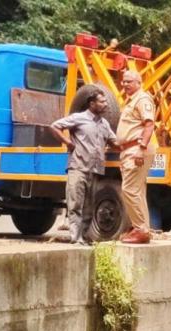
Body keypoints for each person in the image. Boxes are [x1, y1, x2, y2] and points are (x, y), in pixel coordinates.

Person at [50, 89, 120, 245]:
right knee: (75, 204)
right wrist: (67, 142)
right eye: (102, 102)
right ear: (92, 103)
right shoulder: (78, 118)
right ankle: (76, 238)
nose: (106, 104)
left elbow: (115, 143)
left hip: (95, 170)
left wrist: (134, 143)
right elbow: (54, 126)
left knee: (89, 206)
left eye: (106, 102)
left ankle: (85, 237)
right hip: (78, 167)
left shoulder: (105, 124)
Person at [116, 70, 156, 244]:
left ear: (139, 82)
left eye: (129, 81)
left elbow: (149, 124)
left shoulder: (142, 99)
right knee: (137, 192)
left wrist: (141, 148)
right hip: (129, 149)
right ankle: (142, 228)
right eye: (123, 82)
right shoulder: (131, 101)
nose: (125, 84)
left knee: (129, 190)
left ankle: (140, 229)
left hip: (136, 149)